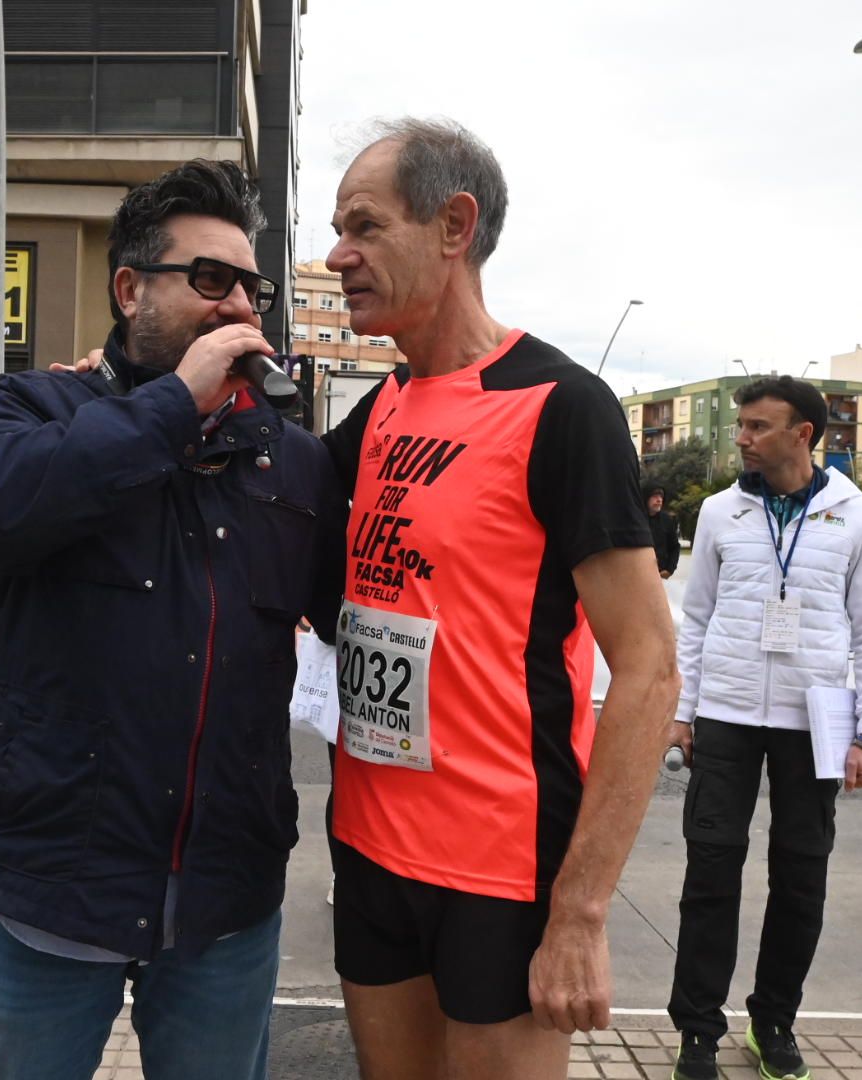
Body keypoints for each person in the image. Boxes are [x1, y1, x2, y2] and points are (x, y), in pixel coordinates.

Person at [0, 160, 342, 1080]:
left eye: (251, 285)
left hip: (224, 905)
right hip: (50, 893)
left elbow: (361, 609)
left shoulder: (293, 463)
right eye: (209, 280)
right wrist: (172, 406)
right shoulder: (36, 407)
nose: (239, 304)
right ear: (130, 290)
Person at [316, 119, 680, 1080]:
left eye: (363, 226)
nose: (336, 255)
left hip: (501, 868)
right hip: (367, 844)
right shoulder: (383, 407)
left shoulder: (561, 407)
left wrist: (581, 911)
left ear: (453, 225)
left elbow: (648, 667)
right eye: (336, 229)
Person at [667, 375, 862, 1080]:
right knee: (710, 871)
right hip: (727, 716)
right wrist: (684, 711)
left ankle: (773, 1020)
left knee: (800, 878)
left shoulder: (857, 515)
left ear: (803, 434)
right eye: (741, 425)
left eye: (758, 427)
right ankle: (698, 1031)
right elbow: (696, 617)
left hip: (814, 721)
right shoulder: (719, 513)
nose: (742, 438)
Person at [647, 486, 682, 579]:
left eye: (661, 496)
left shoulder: (666, 520)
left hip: (659, 575)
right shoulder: (636, 519)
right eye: (655, 496)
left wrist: (670, 569)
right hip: (637, 573)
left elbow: (675, 546)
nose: (659, 500)